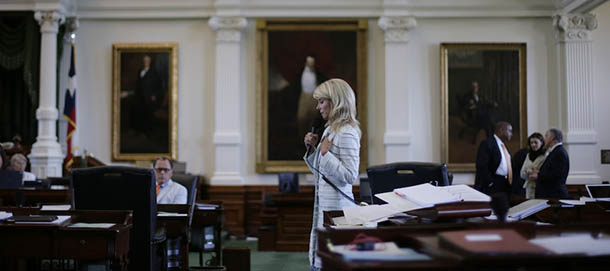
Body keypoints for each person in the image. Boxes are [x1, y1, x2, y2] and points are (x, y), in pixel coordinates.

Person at [303, 78, 361, 271]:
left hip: (338, 211)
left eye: (322, 101)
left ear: (336, 101)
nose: (318, 107)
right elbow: (322, 173)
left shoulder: (347, 133)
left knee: (332, 263)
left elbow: (350, 175)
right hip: (325, 209)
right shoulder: (330, 130)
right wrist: (313, 150)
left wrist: (326, 155)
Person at [474, 121, 513, 196]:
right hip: (493, 185)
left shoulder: (503, 145)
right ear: (501, 130)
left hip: (504, 184)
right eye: (510, 131)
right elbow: (481, 165)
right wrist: (490, 183)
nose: (511, 134)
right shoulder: (487, 143)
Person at [528, 128, 569, 199]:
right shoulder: (556, 151)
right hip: (550, 194)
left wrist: (538, 175)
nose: (544, 139)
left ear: (552, 138)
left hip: (554, 195)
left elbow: (556, 175)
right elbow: (551, 170)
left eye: (546, 136)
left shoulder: (559, 152)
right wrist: (539, 172)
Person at [296, 55, 327, 140]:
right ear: (306, 63)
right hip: (304, 97)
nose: (311, 64)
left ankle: (312, 138)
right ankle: (301, 139)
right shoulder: (300, 73)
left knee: (312, 118)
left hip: (314, 98)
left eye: (312, 63)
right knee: (301, 118)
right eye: (309, 63)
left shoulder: (318, 74)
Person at [135, 55, 163, 133]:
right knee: (140, 113)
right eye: (144, 61)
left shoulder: (154, 73)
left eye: (147, 61)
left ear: (150, 62)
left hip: (149, 97)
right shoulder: (140, 71)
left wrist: (155, 95)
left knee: (149, 115)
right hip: (140, 97)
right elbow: (138, 84)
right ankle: (141, 131)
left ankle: (149, 132)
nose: (146, 62)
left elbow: (160, 86)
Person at [520, 133, 547, 199]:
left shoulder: (546, 156)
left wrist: (529, 170)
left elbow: (544, 173)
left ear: (541, 143)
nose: (533, 145)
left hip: (540, 188)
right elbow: (522, 173)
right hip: (529, 188)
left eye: (535, 142)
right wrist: (530, 171)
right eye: (531, 143)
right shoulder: (528, 155)